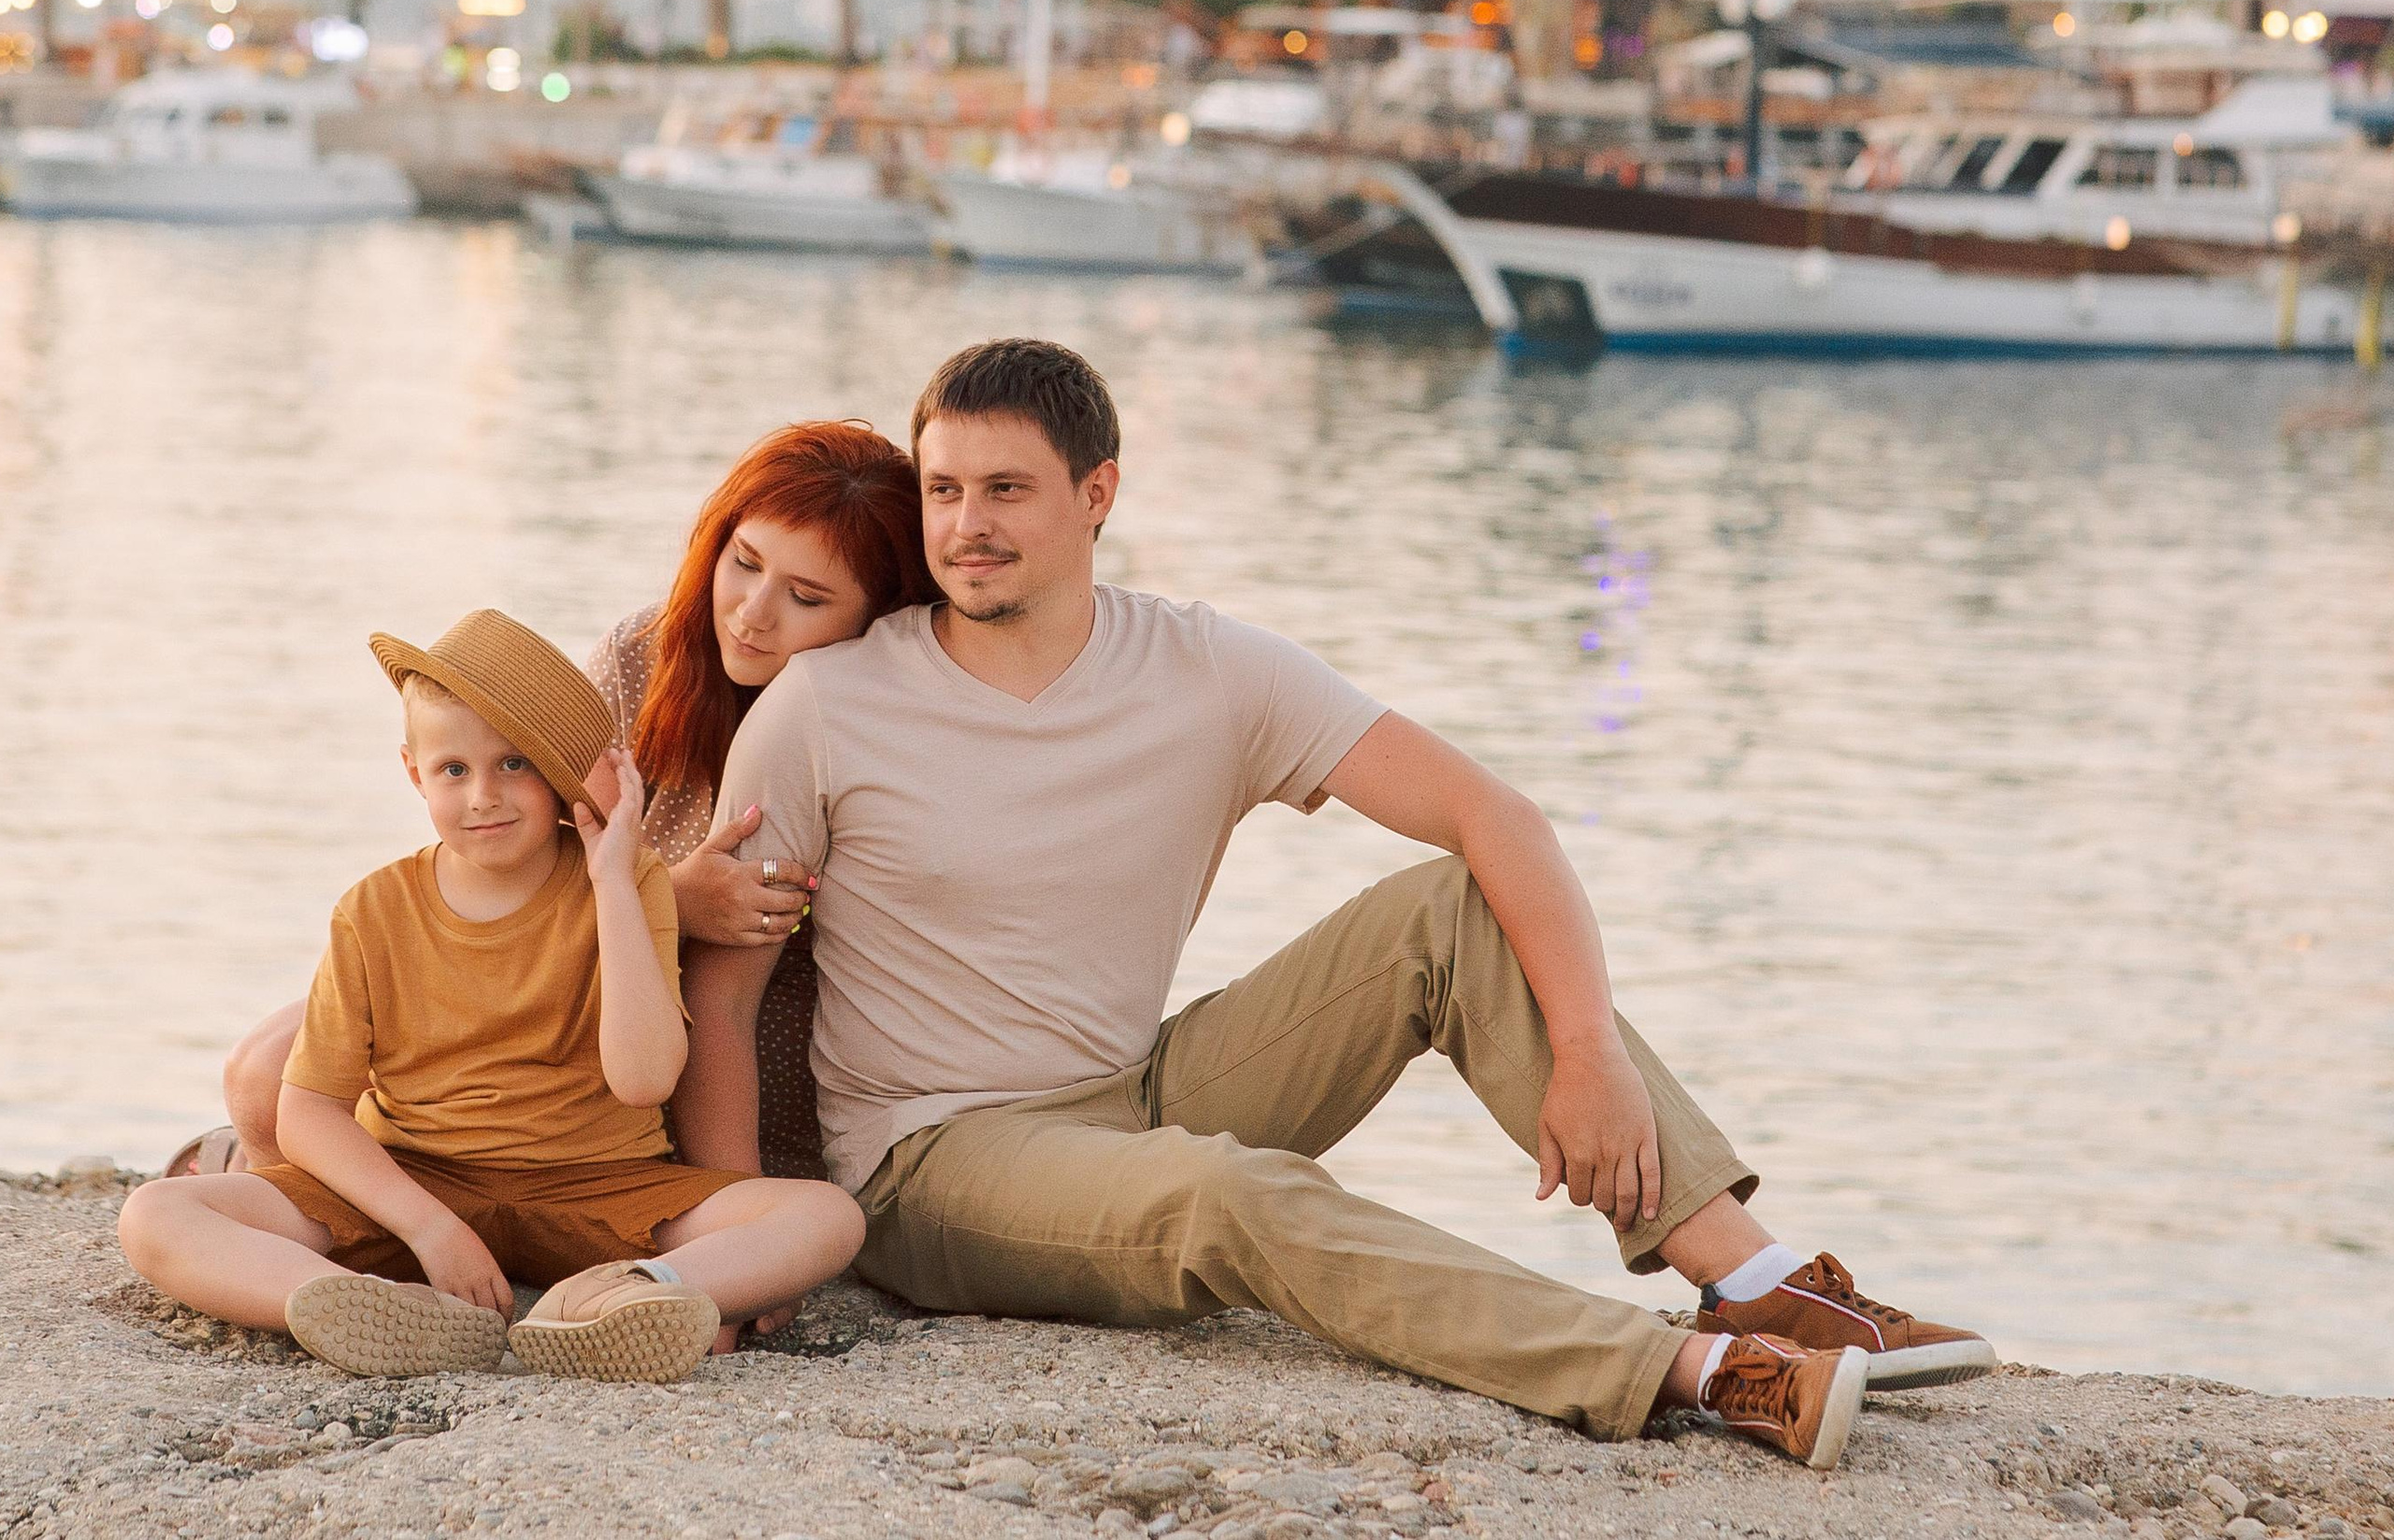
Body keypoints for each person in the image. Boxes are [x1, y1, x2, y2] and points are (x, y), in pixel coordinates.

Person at [678, 338, 1995, 1473]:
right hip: (937, 1163)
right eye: (946, 490)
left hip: (1132, 1092)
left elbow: (1496, 817)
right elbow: (724, 1001)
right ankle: (1695, 1374)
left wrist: (1586, 1049)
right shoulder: (830, 708)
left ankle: (1757, 1279)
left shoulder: (1204, 669)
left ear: (1098, 496)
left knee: (1445, 910)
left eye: (1006, 491)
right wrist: (741, 1254)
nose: (966, 525)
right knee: (1229, 1195)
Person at [178, 420, 936, 1185]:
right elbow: (508, 859)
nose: (751, 612)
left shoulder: (860, 724)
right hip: (553, 995)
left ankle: (304, 1184)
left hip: (729, 1050)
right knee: (262, 1073)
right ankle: (326, 1206)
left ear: (877, 617)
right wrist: (668, 903)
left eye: (805, 597)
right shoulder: (642, 656)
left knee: (283, 1085)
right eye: (744, 563)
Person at [119, 611, 863, 1381]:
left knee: (825, 1218)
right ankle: (356, 1304)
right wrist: (432, 1230)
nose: (483, 797)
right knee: (155, 1214)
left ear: (558, 775)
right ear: (414, 773)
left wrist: (612, 878)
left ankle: (624, 1299)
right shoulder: (373, 910)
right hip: (415, 1178)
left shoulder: (625, 882)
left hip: (599, 1189)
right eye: (453, 771)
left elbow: (643, 1079)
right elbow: (307, 1110)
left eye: (514, 765)